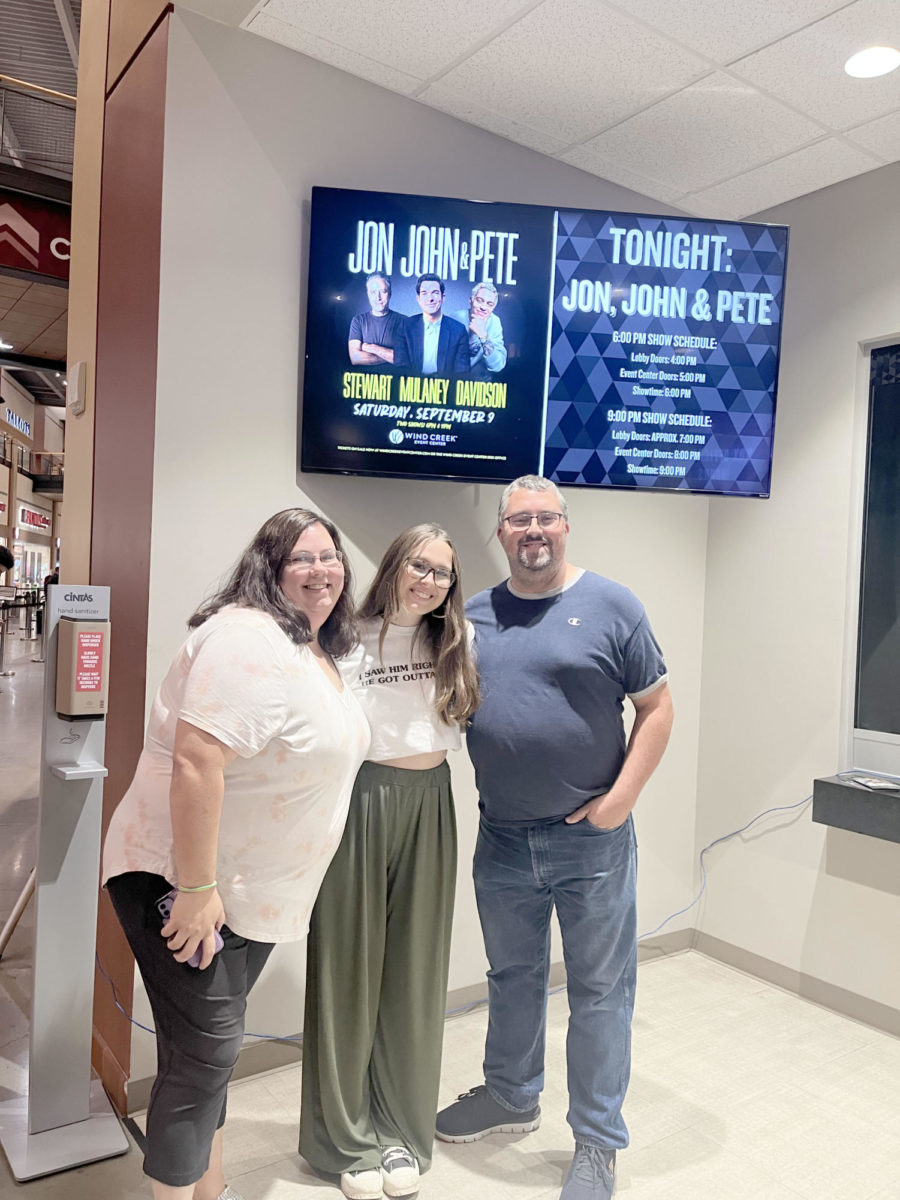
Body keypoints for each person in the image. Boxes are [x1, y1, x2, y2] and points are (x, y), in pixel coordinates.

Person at [102, 508, 370, 1200]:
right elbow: (197, 761)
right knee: (207, 1054)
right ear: (269, 569)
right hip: (186, 881)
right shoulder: (245, 637)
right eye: (301, 558)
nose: (322, 570)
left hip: (250, 891)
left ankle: (208, 1190)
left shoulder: (314, 649)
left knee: (201, 1056)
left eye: (330, 555)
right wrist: (195, 889)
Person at [436, 476, 673, 1200]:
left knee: (600, 992)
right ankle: (511, 1093)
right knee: (512, 978)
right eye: (518, 520)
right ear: (501, 533)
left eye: (544, 518)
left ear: (565, 527)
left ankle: (597, 1143)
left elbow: (656, 708)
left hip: (591, 846)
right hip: (501, 838)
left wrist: (618, 803)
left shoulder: (612, 605)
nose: (531, 530)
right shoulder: (472, 616)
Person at [300, 523, 479, 1200]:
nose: (430, 581)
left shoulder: (454, 642)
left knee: (414, 972)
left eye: (443, 574)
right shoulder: (346, 637)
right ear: (395, 565)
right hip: (362, 803)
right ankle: (346, 1140)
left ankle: (402, 1130)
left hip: (432, 802)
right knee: (348, 969)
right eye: (420, 566)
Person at [396, 274, 469, 376]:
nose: (430, 298)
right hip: (411, 387)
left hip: (446, 387)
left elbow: (462, 372)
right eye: (424, 293)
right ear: (418, 299)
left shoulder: (458, 330)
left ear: (443, 298)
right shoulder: (405, 326)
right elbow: (401, 367)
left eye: (435, 293)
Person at [348, 274, 406, 367]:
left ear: (390, 293)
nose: (378, 297)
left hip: (395, 380)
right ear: (368, 294)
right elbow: (355, 358)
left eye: (383, 291)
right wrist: (392, 356)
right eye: (373, 292)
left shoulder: (404, 322)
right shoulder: (358, 321)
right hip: (365, 380)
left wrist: (372, 348)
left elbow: (407, 358)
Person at [454, 281, 506, 380]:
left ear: (493, 308)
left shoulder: (494, 322)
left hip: (478, 384)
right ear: (471, 301)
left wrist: (483, 336)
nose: (483, 307)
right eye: (479, 301)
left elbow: (497, 366)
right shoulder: (456, 318)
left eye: (489, 304)